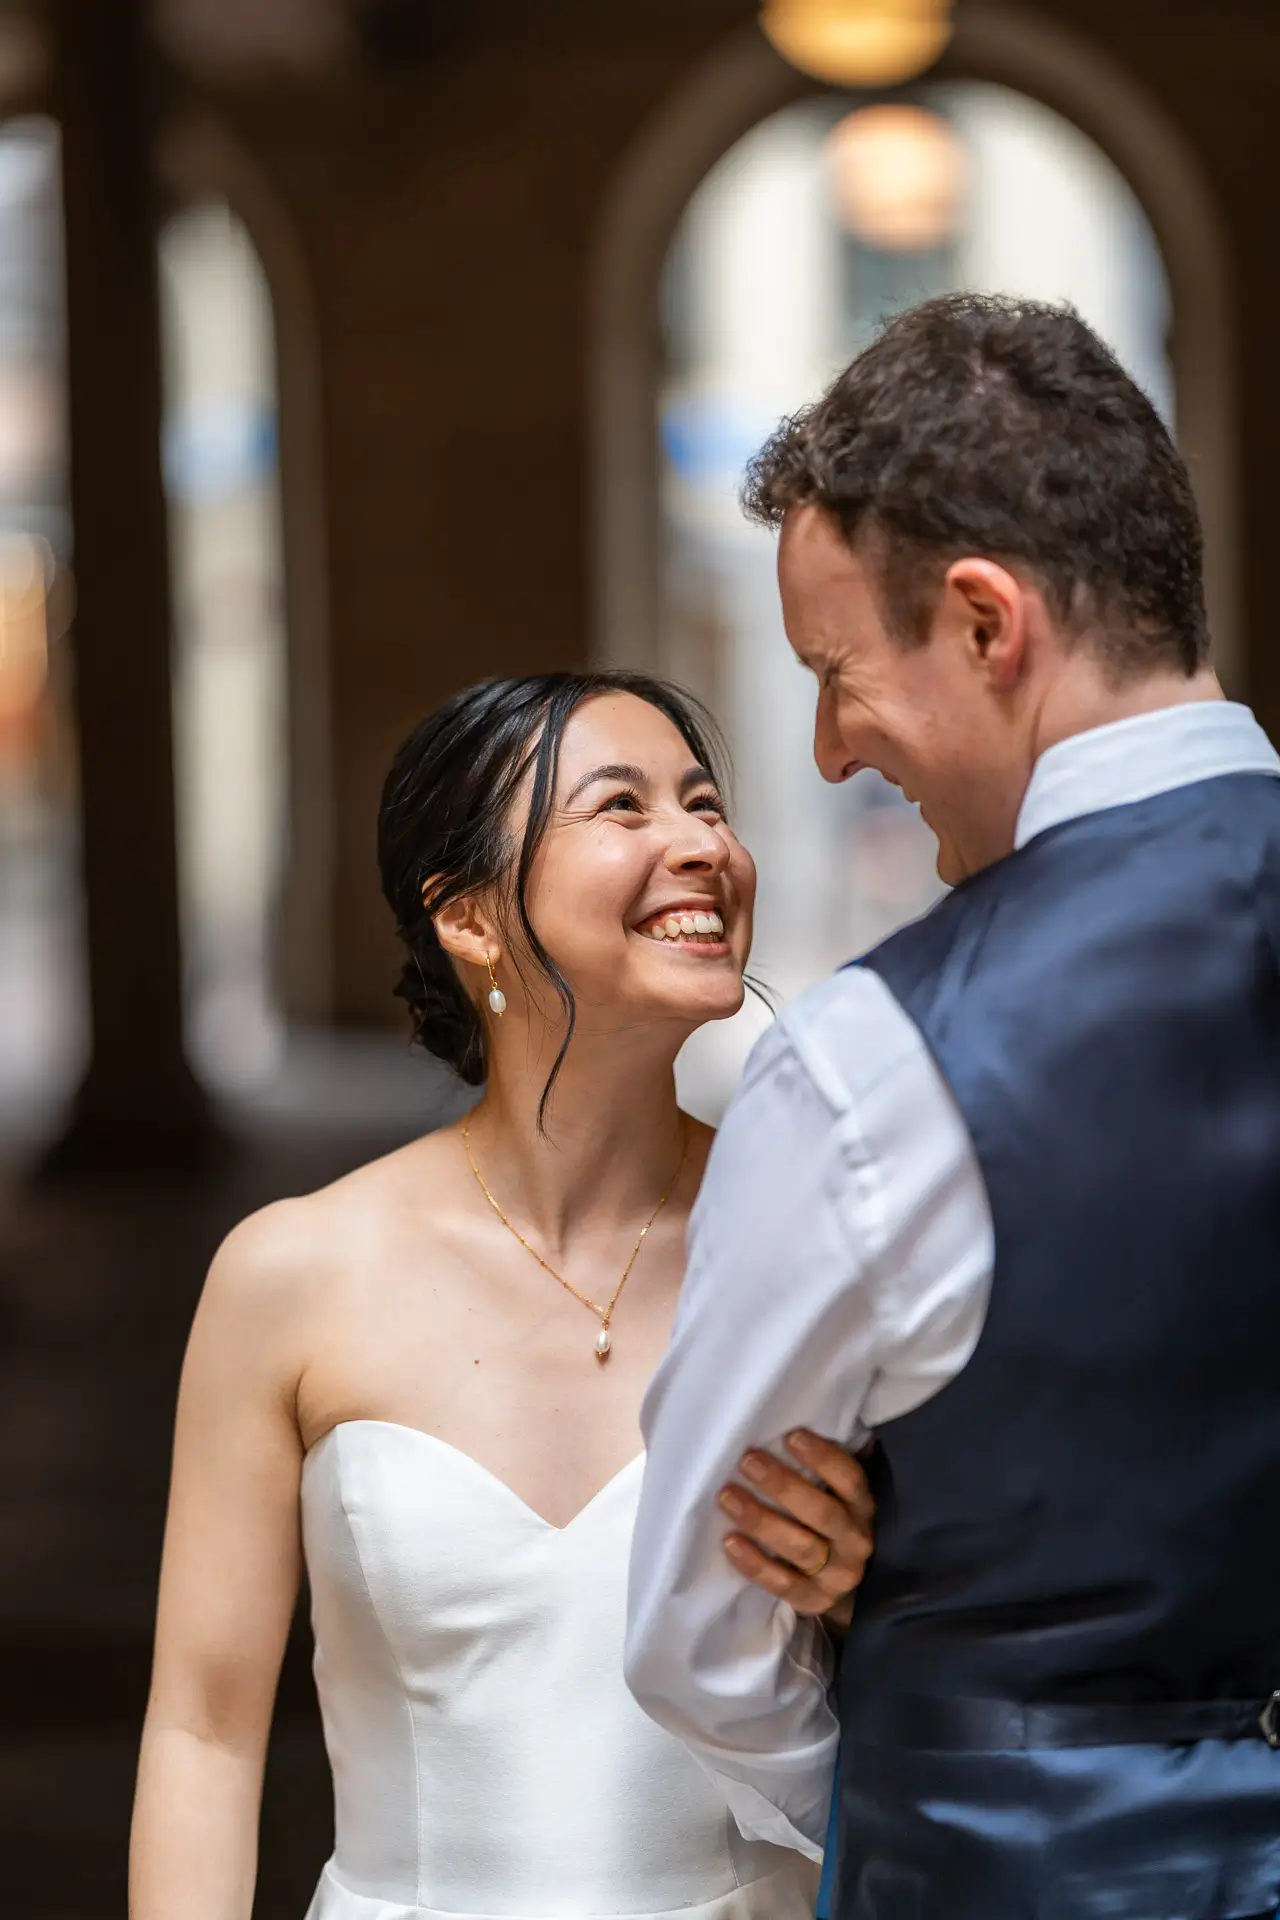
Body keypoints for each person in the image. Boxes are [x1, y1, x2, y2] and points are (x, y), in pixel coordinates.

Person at [625, 294, 1280, 1919]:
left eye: (839, 673)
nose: (834, 748)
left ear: (988, 626)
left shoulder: (873, 1062)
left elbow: (705, 1648)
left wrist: (882, 1676)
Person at [129, 670, 876, 1920]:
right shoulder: (291, 1274)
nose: (701, 843)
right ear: (469, 917)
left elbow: (976, 1669)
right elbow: (203, 1733)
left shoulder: (826, 1239)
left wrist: (865, 1595)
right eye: (622, 808)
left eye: (703, 804)